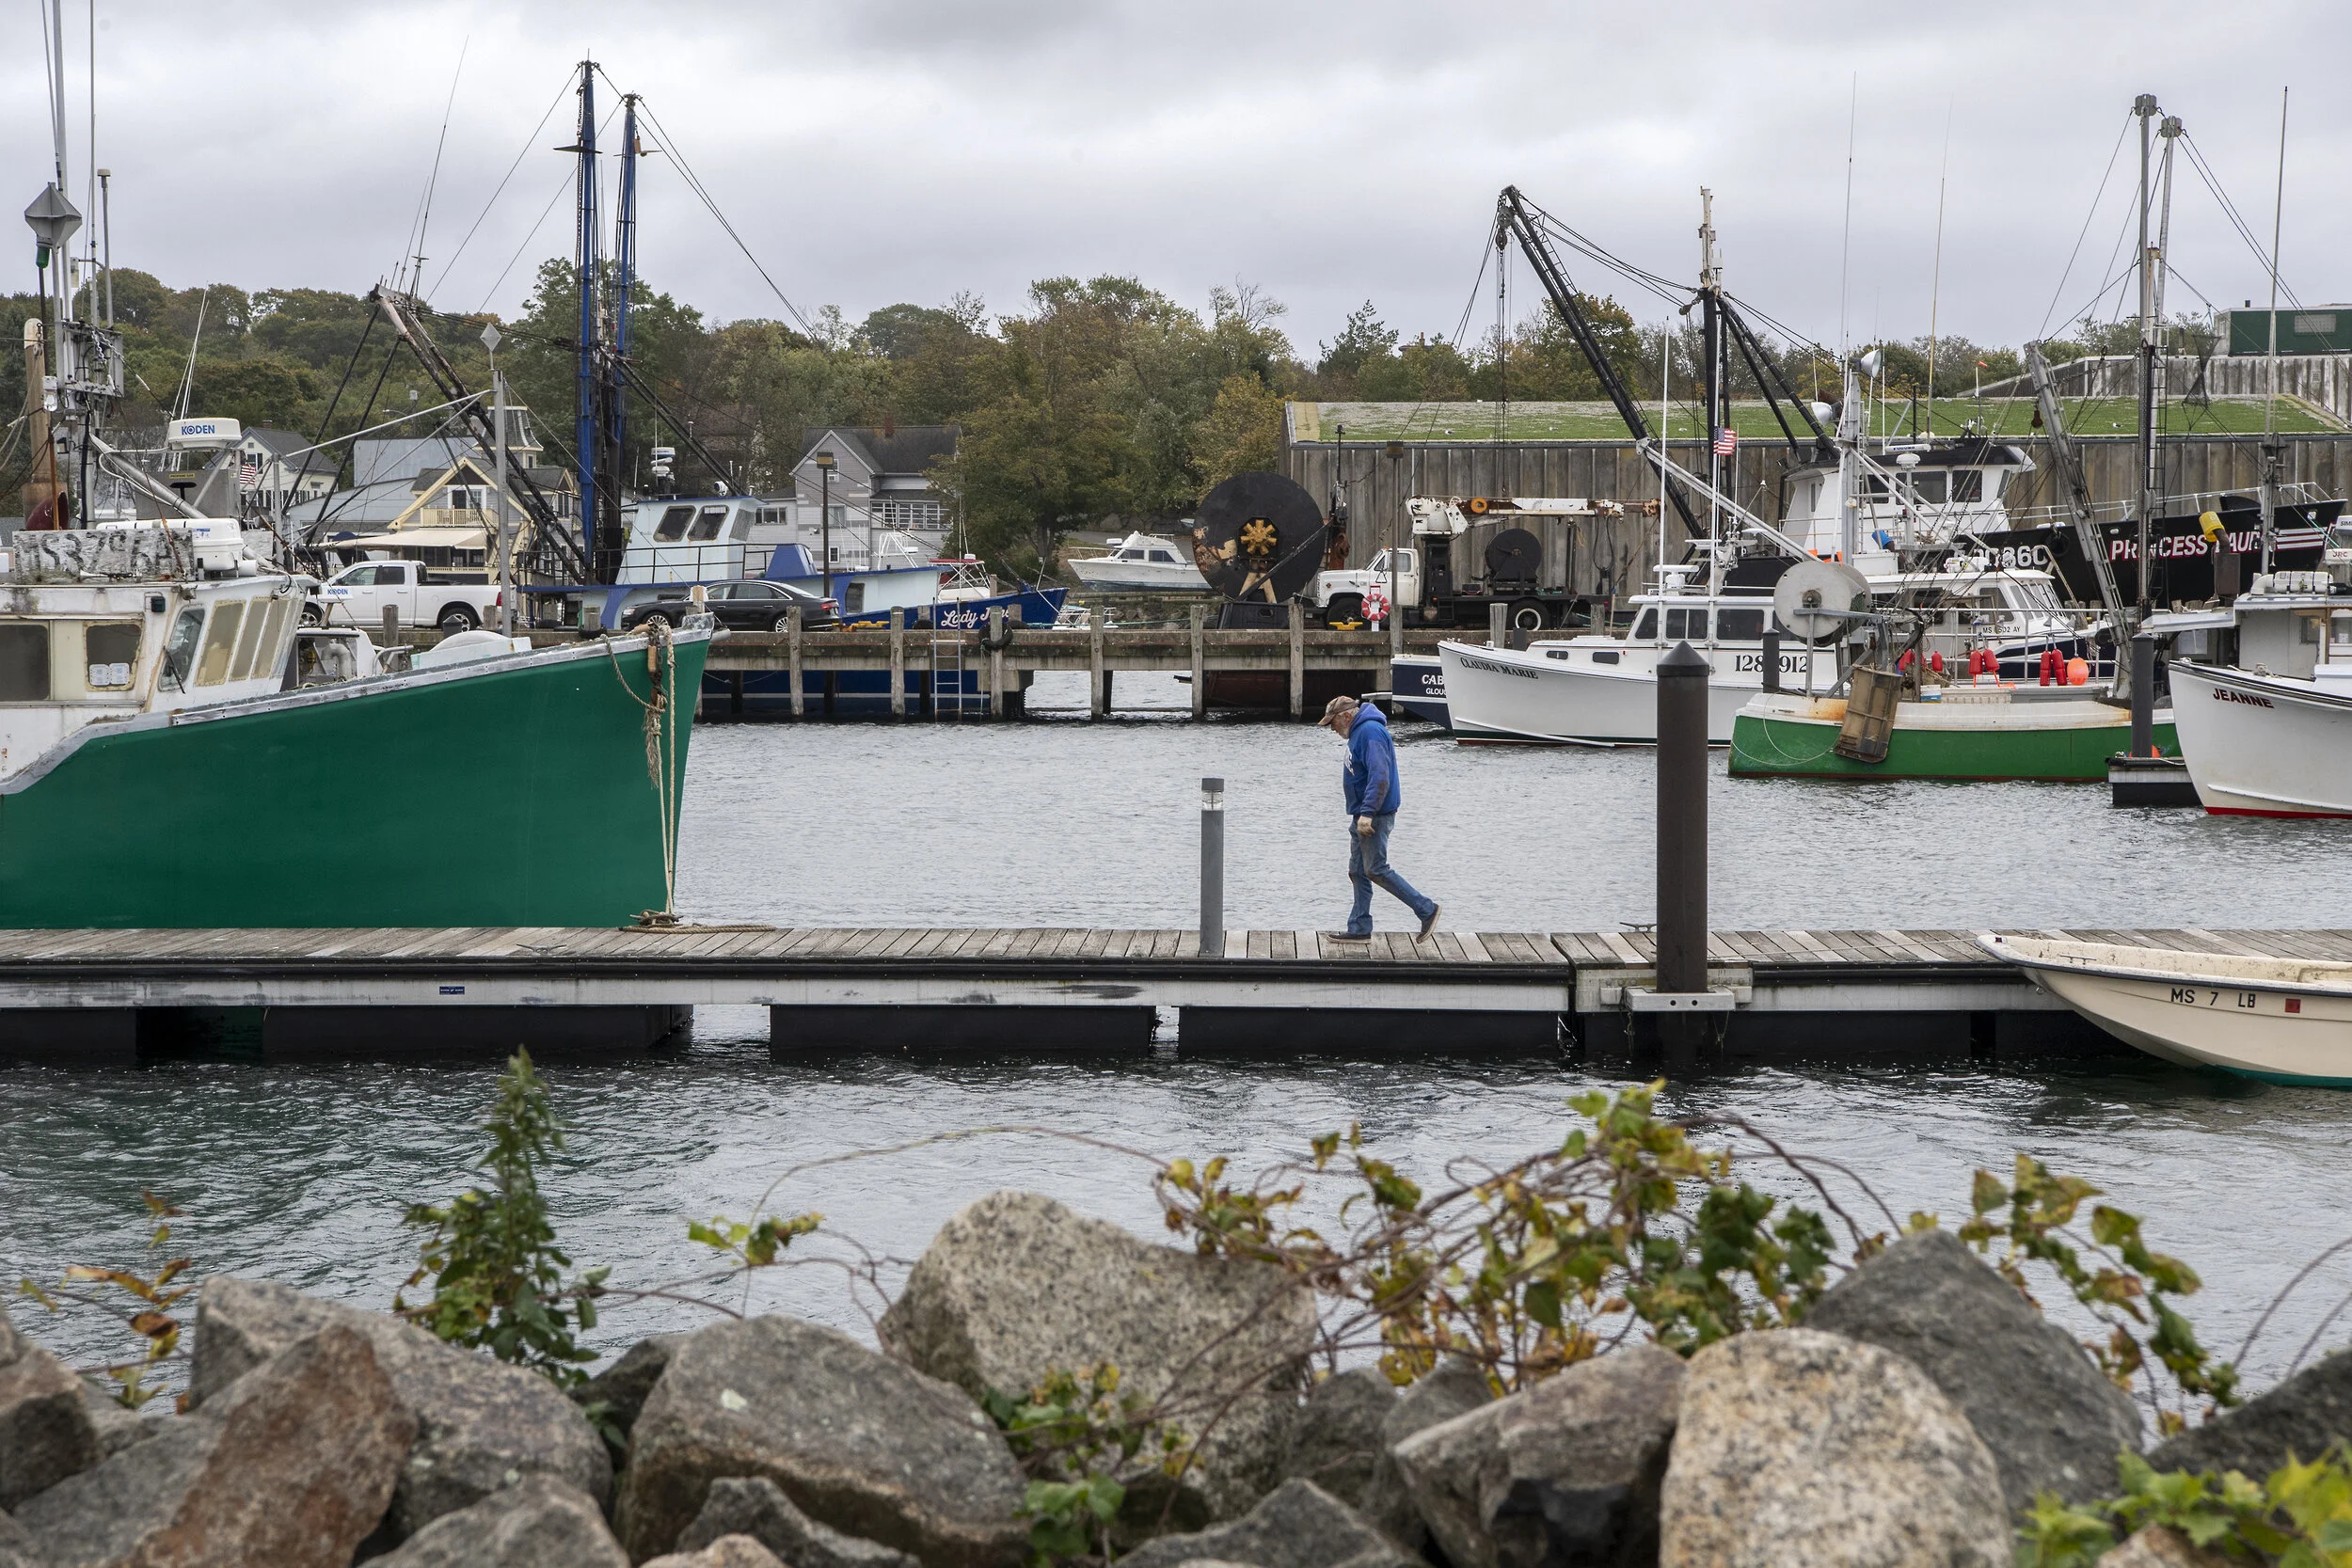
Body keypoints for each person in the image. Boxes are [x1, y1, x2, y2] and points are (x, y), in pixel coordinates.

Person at [1316, 694, 1439, 941]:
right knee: (1358, 871)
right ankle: (1359, 928)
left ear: (1346, 716)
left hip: (1373, 815)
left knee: (1376, 869)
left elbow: (1379, 776)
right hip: (1361, 814)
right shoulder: (1360, 733)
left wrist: (1368, 814)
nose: (1332, 729)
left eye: (1333, 723)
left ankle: (1426, 909)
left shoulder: (1370, 732)